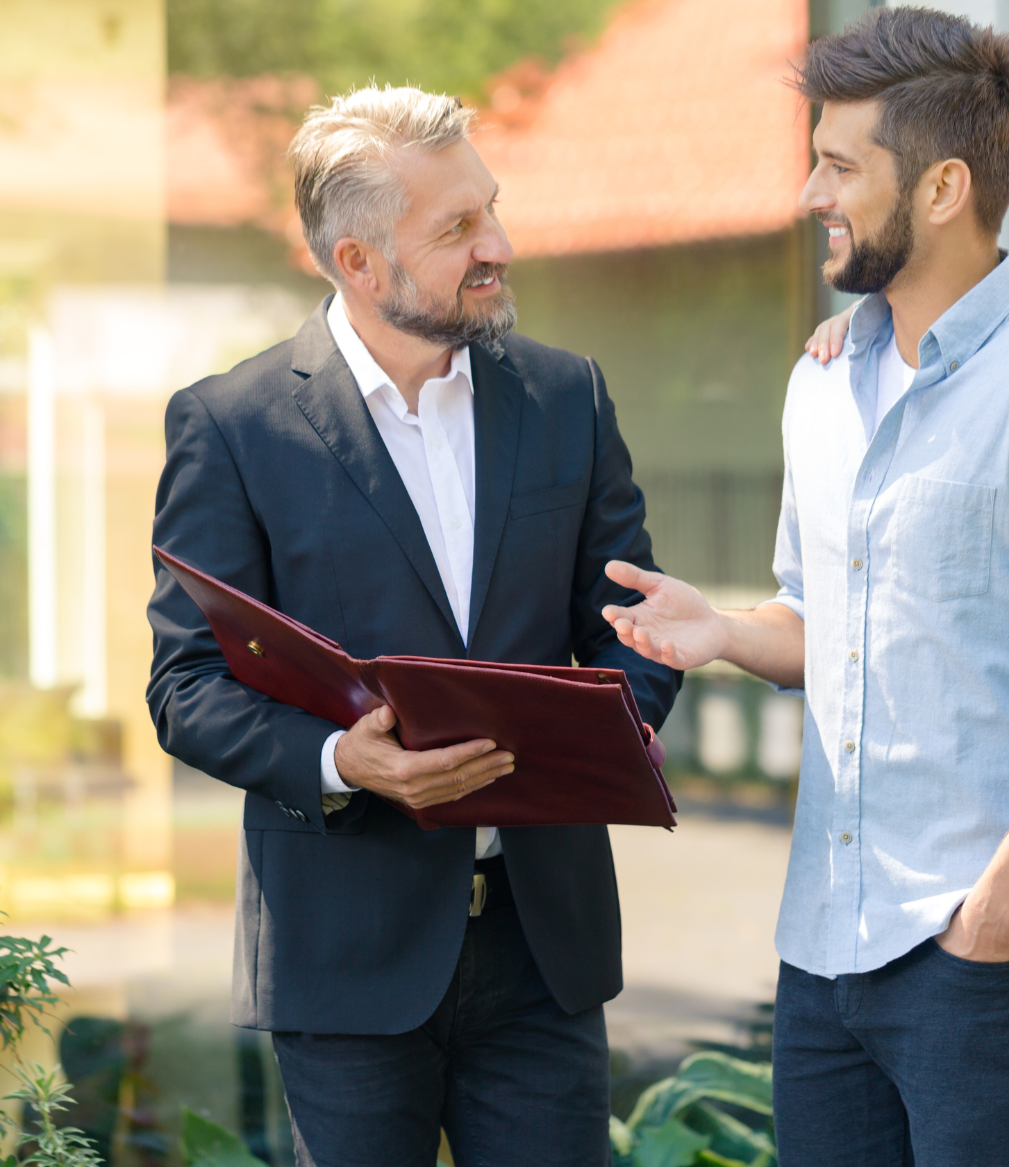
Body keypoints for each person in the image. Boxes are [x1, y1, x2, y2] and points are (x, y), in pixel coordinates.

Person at [601, 9, 1009, 1164]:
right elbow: (822, 621)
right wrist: (727, 632)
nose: (809, 194)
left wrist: (992, 912)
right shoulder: (824, 384)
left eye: (839, 166)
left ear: (942, 188)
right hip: (825, 951)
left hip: (993, 955)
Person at [144, 87, 679, 1167]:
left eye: (489, 209)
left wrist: (602, 734)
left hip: (543, 949)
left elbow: (630, 619)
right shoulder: (233, 426)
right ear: (357, 261)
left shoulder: (566, 396)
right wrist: (343, 761)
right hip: (344, 954)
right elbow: (186, 683)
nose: (499, 245)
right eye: (458, 230)